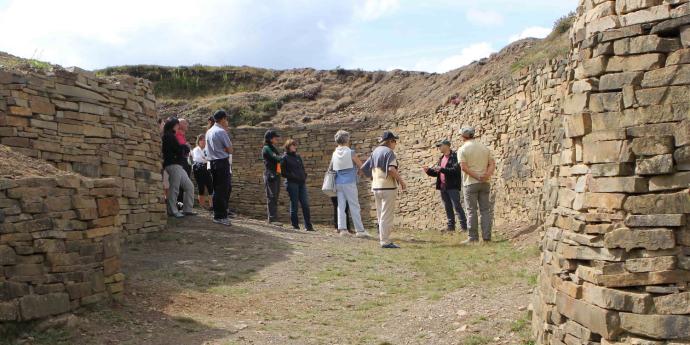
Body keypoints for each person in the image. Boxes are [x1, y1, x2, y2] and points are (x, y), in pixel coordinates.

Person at [362, 131, 407, 249]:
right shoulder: (389, 152)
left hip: (376, 187)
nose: (395, 144)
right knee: (386, 215)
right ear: (390, 141)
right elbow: (391, 169)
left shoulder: (375, 151)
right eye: (394, 141)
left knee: (380, 214)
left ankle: (382, 238)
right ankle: (385, 241)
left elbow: (364, 169)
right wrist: (401, 181)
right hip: (388, 187)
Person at [458, 127, 495, 244]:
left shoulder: (462, 149)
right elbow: (492, 164)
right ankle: (487, 237)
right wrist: (486, 175)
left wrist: (476, 176)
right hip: (485, 182)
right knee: (485, 210)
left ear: (463, 136)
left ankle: (473, 238)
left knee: (471, 211)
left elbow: (464, 167)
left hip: (470, 183)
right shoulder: (484, 148)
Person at [330, 130, 370, 238]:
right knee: (354, 206)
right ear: (347, 139)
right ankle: (360, 230)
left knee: (341, 206)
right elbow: (361, 166)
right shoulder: (350, 152)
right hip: (349, 182)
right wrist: (360, 172)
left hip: (338, 182)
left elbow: (332, 168)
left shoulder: (334, 153)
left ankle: (343, 229)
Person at [423, 139, 468, 233]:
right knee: (447, 207)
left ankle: (464, 227)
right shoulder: (441, 158)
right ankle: (451, 227)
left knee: (457, 207)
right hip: (443, 186)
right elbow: (437, 173)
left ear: (446, 146)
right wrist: (428, 171)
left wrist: (442, 169)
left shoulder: (455, 156)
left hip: (452, 186)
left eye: (440, 145)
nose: (439, 147)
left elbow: (455, 170)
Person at [161, 118, 196, 218]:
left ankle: (188, 209)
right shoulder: (169, 136)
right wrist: (185, 147)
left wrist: (184, 148)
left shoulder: (171, 136)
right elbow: (177, 150)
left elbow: (178, 149)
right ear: (174, 125)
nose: (178, 126)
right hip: (173, 164)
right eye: (177, 125)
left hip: (178, 165)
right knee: (174, 188)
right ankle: (172, 210)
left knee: (189, 186)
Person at [205, 110, 233, 226]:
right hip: (221, 162)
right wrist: (225, 150)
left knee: (217, 189)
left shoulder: (209, 131)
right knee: (222, 190)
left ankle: (218, 214)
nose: (227, 121)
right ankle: (220, 216)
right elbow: (230, 149)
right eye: (226, 119)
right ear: (222, 119)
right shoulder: (221, 131)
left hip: (212, 163)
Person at [280, 139, 314, 231]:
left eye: (295, 145)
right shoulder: (284, 157)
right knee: (294, 204)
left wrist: (304, 176)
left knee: (305, 204)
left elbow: (302, 169)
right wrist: (292, 176)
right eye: (293, 145)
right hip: (291, 183)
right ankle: (295, 226)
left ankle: (309, 226)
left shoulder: (298, 157)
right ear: (288, 146)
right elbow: (279, 171)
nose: (295, 147)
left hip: (301, 183)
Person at [262, 130, 282, 225]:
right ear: (270, 139)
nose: (277, 139)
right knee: (271, 196)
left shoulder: (273, 148)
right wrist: (281, 158)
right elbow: (277, 158)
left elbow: (279, 160)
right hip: (270, 174)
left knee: (275, 196)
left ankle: (274, 218)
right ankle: (272, 219)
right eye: (275, 137)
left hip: (276, 174)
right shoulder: (266, 148)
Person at [191, 134, 213, 210]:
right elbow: (197, 159)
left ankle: (211, 206)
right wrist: (205, 159)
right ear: (199, 141)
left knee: (210, 186)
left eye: (204, 140)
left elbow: (210, 158)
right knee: (201, 187)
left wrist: (205, 159)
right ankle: (202, 206)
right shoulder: (196, 149)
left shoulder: (207, 149)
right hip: (198, 170)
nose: (203, 142)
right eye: (202, 140)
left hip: (207, 169)